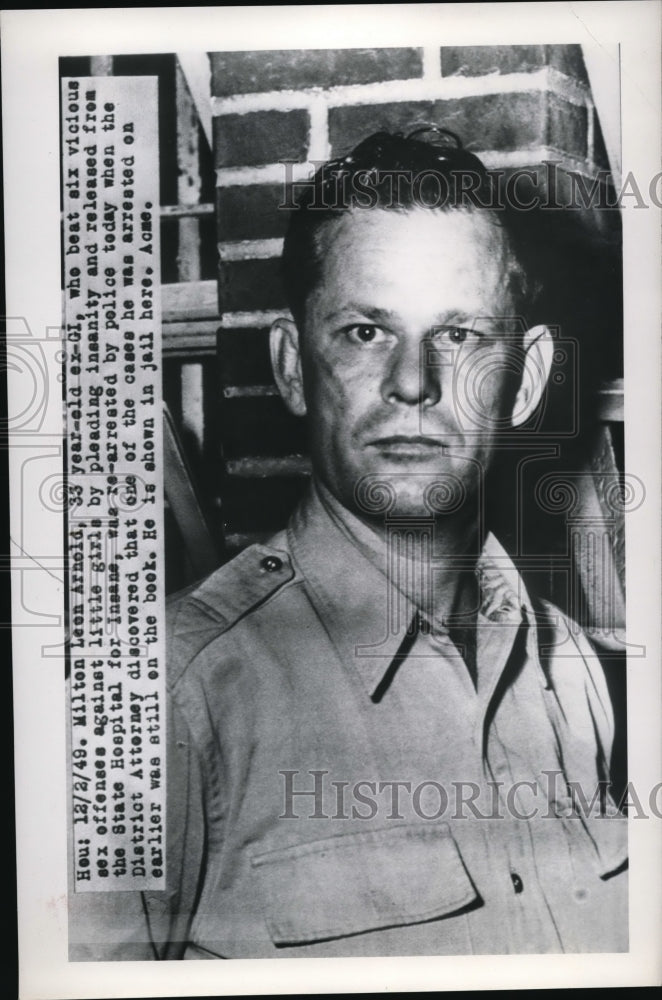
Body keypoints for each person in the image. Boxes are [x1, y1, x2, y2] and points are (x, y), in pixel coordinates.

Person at [72, 127, 628, 959]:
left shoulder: (575, 670)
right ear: (294, 367)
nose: (412, 382)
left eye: (461, 334)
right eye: (366, 332)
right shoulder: (161, 699)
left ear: (530, 379)